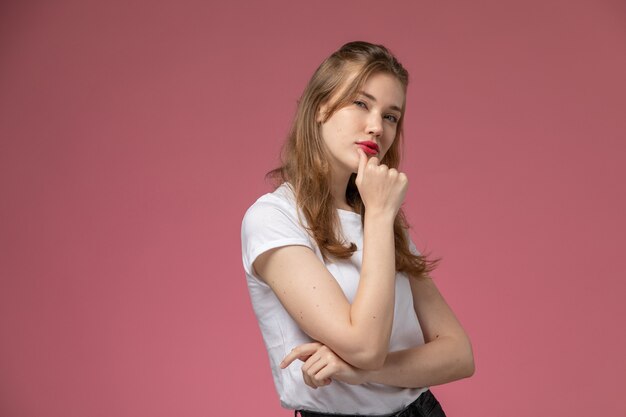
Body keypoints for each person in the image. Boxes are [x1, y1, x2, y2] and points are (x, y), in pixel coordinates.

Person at [241, 41, 474, 417]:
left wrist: (362, 372)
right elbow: (365, 345)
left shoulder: (378, 214)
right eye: (361, 103)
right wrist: (381, 217)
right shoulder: (273, 219)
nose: (376, 127)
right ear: (320, 107)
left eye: (391, 116)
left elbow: (459, 353)